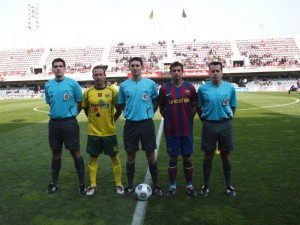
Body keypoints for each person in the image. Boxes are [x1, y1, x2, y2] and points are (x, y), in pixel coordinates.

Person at [118, 57, 163, 197]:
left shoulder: (150, 84)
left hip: (146, 124)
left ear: (142, 67)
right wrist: (129, 113)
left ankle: (156, 186)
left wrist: (148, 113)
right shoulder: (124, 85)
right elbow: (121, 104)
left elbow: (155, 101)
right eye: (133, 65)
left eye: (138, 65)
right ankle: (130, 186)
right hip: (130, 124)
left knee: (151, 156)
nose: (135, 67)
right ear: (129, 68)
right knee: (130, 156)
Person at [44, 58, 86, 195]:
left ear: (65, 68)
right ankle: (54, 183)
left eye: (60, 66)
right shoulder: (48, 85)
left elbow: (80, 102)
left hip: (70, 123)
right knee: (56, 153)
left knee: (75, 152)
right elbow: (50, 103)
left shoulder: (72, 83)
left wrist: (71, 114)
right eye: (55, 66)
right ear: (52, 69)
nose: (58, 68)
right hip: (54, 123)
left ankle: (82, 184)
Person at [197, 61, 238, 197]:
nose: (215, 73)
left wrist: (227, 118)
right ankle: (206, 185)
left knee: (225, 156)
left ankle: (228, 185)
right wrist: (205, 120)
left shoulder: (230, 88)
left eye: (217, 71)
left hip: (225, 125)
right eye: (212, 71)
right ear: (209, 72)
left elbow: (233, 106)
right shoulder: (202, 89)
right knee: (208, 155)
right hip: (209, 125)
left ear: (222, 72)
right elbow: (199, 107)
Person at [81, 65, 124, 196]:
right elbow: (86, 110)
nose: (98, 77)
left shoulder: (112, 91)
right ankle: (93, 185)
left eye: (101, 74)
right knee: (92, 158)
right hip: (93, 133)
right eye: (96, 74)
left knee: (115, 158)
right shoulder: (88, 93)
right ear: (92, 76)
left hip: (109, 132)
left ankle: (118, 184)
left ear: (105, 76)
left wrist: (112, 121)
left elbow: (119, 109)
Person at [158, 61, 198, 197]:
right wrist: (168, 119)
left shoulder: (190, 88)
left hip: (187, 129)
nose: (176, 73)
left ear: (182, 72)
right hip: (171, 130)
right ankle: (173, 186)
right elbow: (161, 107)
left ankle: (189, 185)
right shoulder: (164, 89)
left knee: (187, 157)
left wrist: (188, 118)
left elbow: (194, 105)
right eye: (173, 70)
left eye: (178, 70)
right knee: (172, 158)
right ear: (170, 72)